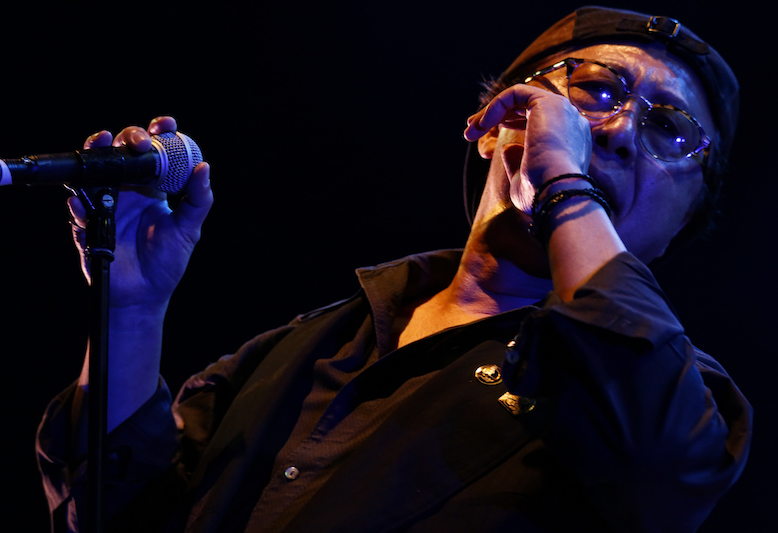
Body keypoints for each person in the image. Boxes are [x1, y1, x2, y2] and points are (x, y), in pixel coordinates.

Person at [36, 6, 752, 533]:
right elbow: (117, 516)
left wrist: (565, 183)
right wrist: (131, 312)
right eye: (595, 88)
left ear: (682, 225)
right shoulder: (311, 344)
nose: (618, 130)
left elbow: (656, 462)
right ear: (497, 122)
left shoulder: (687, 398)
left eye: (670, 129)